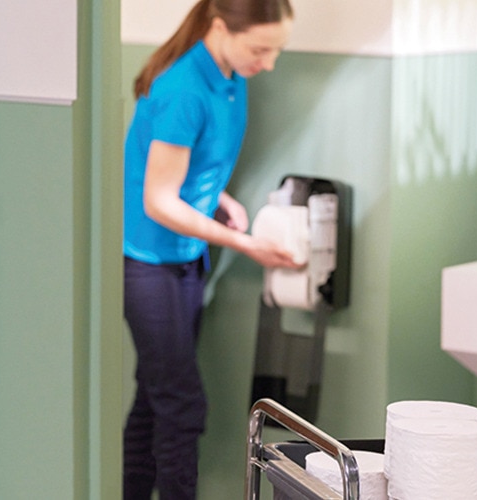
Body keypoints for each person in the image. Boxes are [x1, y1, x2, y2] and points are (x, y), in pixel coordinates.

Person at [122, 0, 296, 498]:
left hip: (187, 260)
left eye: (276, 50)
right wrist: (244, 243)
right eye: (260, 49)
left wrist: (217, 196)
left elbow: (183, 163)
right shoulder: (184, 89)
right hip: (148, 265)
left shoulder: (230, 76)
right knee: (182, 407)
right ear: (220, 27)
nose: (267, 63)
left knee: (154, 403)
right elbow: (157, 199)